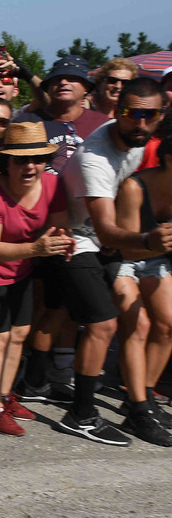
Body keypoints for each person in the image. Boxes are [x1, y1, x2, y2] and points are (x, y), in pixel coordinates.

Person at [52, 78, 170, 444]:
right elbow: (103, 231)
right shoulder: (95, 158)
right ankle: (81, 413)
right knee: (104, 323)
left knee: (144, 321)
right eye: (130, 113)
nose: (138, 122)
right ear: (117, 110)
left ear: (159, 115)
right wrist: (149, 239)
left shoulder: (143, 141)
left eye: (147, 115)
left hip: (115, 244)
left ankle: (139, 408)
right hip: (75, 240)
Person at [0, 122, 73, 436]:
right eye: (21, 159)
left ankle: (5, 395)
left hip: (21, 269)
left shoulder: (53, 184)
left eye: (37, 158)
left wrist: (65, 240)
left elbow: (59, 226)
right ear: (6, 162)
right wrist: (37, 248)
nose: (30, 166)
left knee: (20, 334)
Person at [115, 136, 172, 446]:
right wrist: (155, 241)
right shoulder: (135, 187)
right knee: (141, 324)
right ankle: (138, 411)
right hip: (123, 257)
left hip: (156, 260)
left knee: (168, 323)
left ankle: (144, 399)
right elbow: (125, 250)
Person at [13, 55, 110, 173]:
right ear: (48, 87)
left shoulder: (104, 125)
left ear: (87, 87)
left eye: (72, 78)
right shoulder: (25, 122)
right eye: (56, 79)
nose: (63, 82)